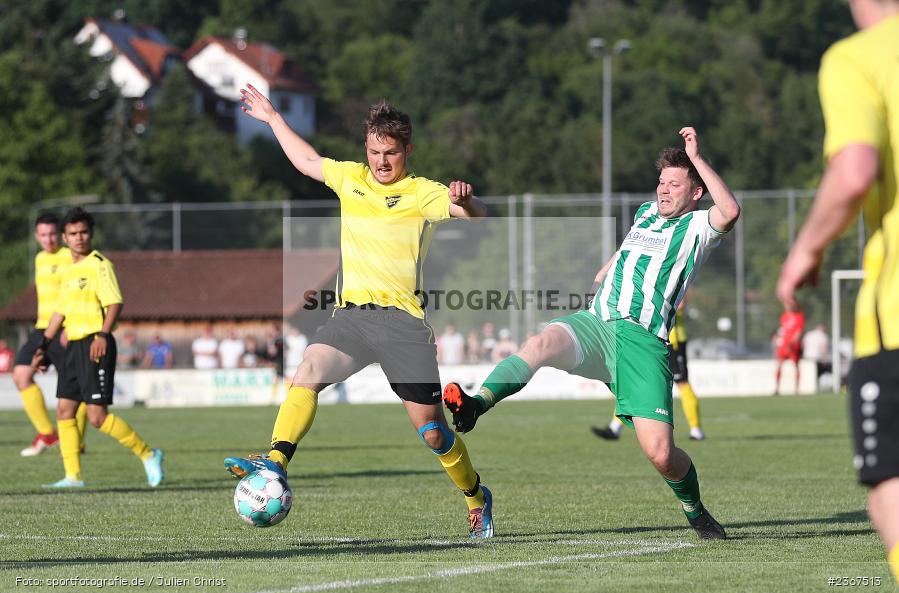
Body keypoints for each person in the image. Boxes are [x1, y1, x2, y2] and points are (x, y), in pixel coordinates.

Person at [444, 127, 740, 540]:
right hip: (598, 323)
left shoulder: (697, 226)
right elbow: (631, 247)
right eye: (661, 182)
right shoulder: (645, 213)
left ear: (695, 192)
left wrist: (697, 158)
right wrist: (609, 265)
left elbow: (730, 210)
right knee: (540, 343)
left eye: (675, 184)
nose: (664, 190)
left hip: (642, 342)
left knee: (660, 453)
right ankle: (475, 406)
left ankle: (695, 512)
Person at [224, 86, 493, 538]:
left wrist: (466, 199)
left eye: (390, 153)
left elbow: (476, 213)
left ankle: (476, 497)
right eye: (374, 152)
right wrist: (272, 118)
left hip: (403, 325)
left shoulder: (422, 192)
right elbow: (307, 160)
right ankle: (275, 462)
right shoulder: (351, 179)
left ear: (408, 151)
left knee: (432, 432)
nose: (381, 162)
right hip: (351, 318)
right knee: (308, 369)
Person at [776, 0, 899, 583]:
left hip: (894, 320)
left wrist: (807, 248)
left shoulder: (860, 57)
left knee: (891, 498)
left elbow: (854, 173)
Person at [31, 207, 163, 488]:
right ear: (65, 238)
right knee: (64, 410)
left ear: (90, 234)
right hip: (73, 346)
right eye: (73, 233)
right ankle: (73, 477)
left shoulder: (100, 264)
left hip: (95, 344)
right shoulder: (70, 271)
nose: (79, 237)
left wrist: (103, 334)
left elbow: (114, 303)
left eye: (83, 232)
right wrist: (42, 346)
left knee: (97, 417)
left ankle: (149, 454)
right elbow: (59, 312)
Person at [12, 213, 87, 457]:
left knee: (78, 386)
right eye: (43, 235)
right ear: (36, 236)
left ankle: (76, 441)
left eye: (53, 234)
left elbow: (78, 291)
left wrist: (71, 324)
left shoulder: (70, 256)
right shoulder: (39, 258)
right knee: (21, 375)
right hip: (42, 328)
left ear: (62, 235)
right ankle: (47, 434)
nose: (48, 239)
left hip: (65, 328)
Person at [592, 306, 706, 441]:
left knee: (682, 383)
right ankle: (615, 427)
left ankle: (696, 430)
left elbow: (679, 305)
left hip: (673, 339)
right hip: (654, 338)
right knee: (638, 382)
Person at [773, 305, 805, 395]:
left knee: (796, 366)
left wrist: (793, 342)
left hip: (793, 346)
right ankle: (777, 389)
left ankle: (796, 389)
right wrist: (776, 338)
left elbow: (799, 332)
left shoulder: (799, 316)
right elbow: (782, 330)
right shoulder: (784, 316)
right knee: (779, 365)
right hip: (783, 346)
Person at [802, 323, 831, 388]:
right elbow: (823, 348)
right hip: (817, 359)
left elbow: (803, 345)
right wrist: (824, 359)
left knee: (809, 376)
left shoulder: (808, 334)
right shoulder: (822, 335)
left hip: (806, 358)